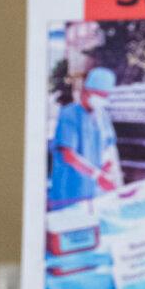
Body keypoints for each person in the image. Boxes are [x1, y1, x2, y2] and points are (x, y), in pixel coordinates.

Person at [48, 67, 122, 210]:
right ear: (86, 91)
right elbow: (69, 155)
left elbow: (108, 148)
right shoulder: (69, 114)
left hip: (93, 193)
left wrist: (111, 174)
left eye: (105, 96)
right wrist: (98, 175)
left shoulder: (102, 116)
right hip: (70, 192)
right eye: (99, 95)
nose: (102, 100)